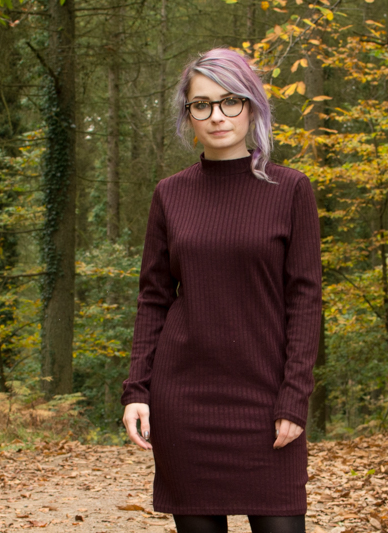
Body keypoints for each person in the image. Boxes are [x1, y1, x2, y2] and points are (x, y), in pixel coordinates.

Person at [121, 48, 322, 533]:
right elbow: (154, 298)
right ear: (188, 114)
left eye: (231, 101)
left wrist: (294, 396)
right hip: (185, 403)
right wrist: (137, 389)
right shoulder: (170, 194)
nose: (217, 116)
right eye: (202, 104)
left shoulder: (291, 189)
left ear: (252, 106)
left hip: (267, 401)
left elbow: (305, 300)